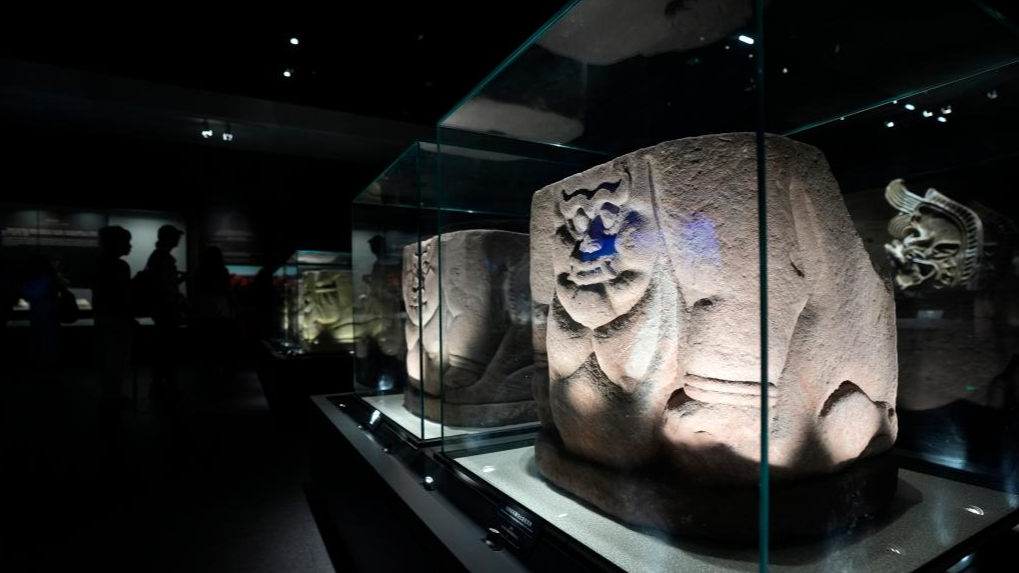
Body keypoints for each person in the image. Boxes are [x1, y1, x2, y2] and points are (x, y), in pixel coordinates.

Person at [91, 226, 135, 413]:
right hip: (118, 318)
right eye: (127, 242)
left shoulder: (98, 263)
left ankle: (109, 395)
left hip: (102, 315)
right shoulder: (120, 266)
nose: (130, 246)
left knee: (107, 358)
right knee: (118, 359)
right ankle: (113, 396)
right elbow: (122, 296)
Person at [146, 224, 186, 400]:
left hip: (162, 308)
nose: (178, 239)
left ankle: (160, 383)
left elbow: (162, 284)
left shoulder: (158, 256)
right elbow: (165, 286)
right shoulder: (163, 258)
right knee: (168, 348)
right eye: (175, 236)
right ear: (167, 238)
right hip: (166, 309)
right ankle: (168, 384)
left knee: (163, 348)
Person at [192, 246, 238, 378]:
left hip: (205, 311)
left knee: (209, 342)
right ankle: (223, 368)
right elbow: (228, 291)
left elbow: (197, 293)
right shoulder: (222, 271)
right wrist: (236, 308)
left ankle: (211, 369)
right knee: (223, 342)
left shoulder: (200, 272)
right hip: (221, 311)